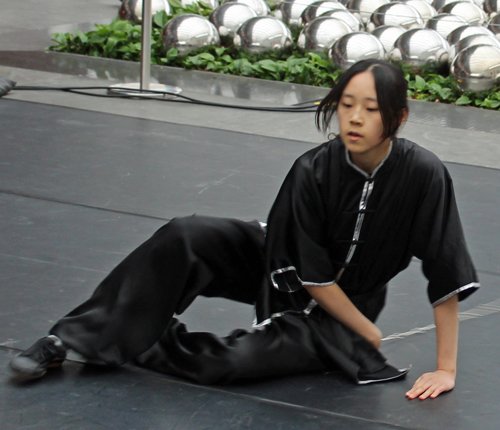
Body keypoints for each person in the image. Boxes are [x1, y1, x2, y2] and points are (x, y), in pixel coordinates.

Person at [9, 59, 479, 400]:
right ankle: (68, 339)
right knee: (186, 235)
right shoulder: (312, 169)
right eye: (346, 105)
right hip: (283, 264)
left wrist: (445, 368)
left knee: (233, 363)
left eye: (371, 109)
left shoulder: (424, 175)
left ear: (398, 117)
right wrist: (368, 332)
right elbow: (307, 268)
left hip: (337, 313)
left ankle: (143, 339)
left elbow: (445, 266)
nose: (354, 118)